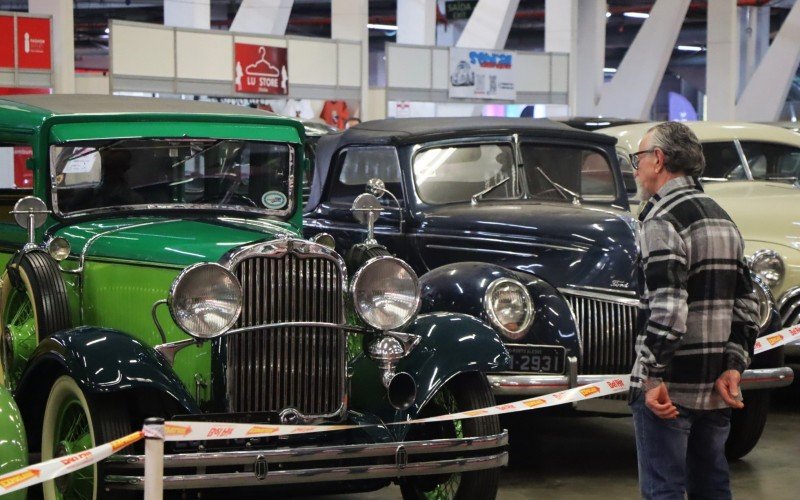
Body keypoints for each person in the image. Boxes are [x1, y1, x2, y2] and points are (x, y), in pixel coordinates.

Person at [628, 122, 759, 500]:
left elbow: (668, 310)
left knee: (663, 490)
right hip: (716, 386)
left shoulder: (662, 220)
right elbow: (747, 304)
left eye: (638, 158)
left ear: (658, 159)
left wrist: (651, 375)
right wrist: (734, 366)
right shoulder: (721, 216)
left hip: (670, 390)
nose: (635, 168)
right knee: (713, 487)